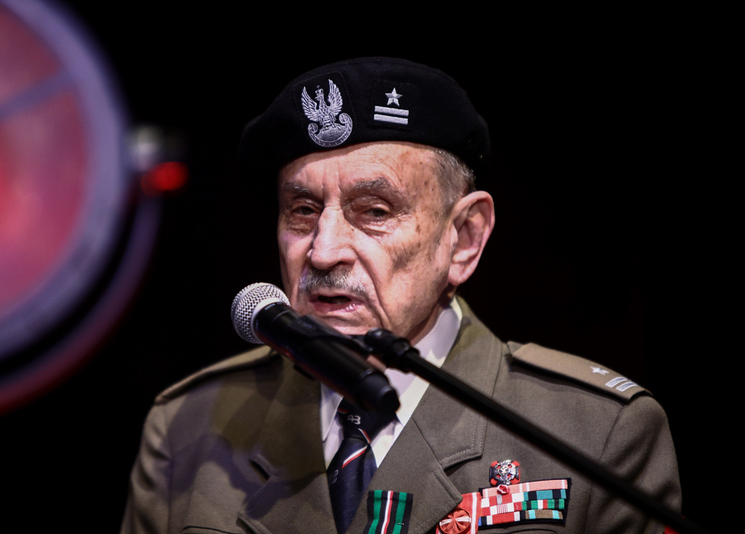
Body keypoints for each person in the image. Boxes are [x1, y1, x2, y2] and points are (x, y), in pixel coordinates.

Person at [121, 57, 681, 534]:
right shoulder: (189, 426)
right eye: (302, 211)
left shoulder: (596, 433)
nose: (323, 252)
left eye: (374, 212)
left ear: (463, 239)